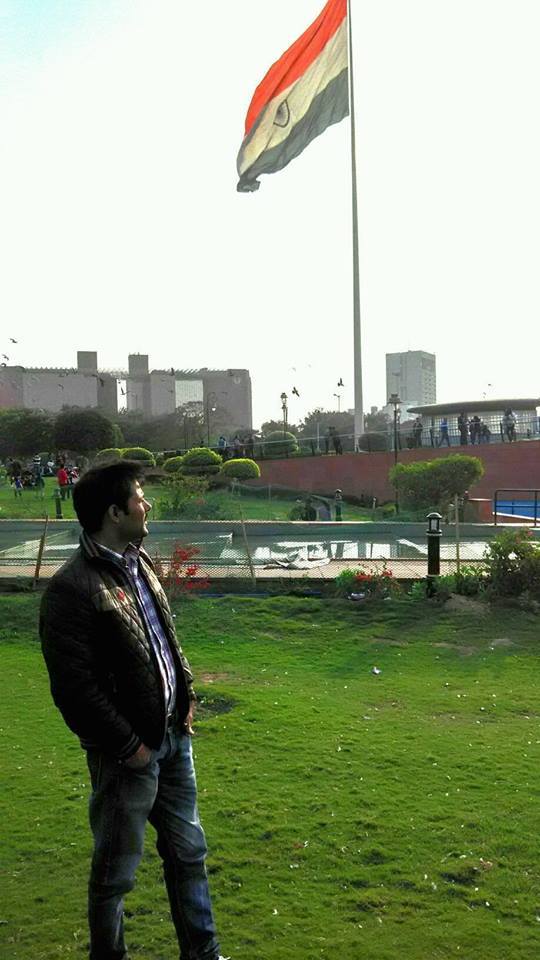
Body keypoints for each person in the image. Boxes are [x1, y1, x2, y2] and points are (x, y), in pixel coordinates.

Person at [39, 461, 229, 960]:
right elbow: (75, 691)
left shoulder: (138, 561)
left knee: (189, 853)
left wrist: (186, 697)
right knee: (115, 875)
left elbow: (165, 638)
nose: (147, 505)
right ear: (114, 513)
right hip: (128, 756)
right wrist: (131, 748)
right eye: (140, 498)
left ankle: (203, 953)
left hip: (173, 740)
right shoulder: (71, 588)